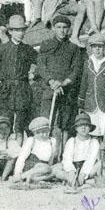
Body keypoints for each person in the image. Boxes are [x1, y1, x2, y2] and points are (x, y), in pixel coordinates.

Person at [0, 15, 37, 141]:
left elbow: (42, 65)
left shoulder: (28, 50)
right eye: (16, 30)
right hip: (6, 91)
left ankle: (18, 157)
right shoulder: (2, 49)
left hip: (23, 91)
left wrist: (35, 75)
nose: (20, 33)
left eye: (22, 30)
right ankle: (6, 156)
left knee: (20, 126)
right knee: (5, 124)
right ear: (10, 31)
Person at [35, 15, 83, 147]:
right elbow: (41, 66)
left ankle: (63, 153)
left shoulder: (73, 48)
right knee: (46, 122)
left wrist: (63, 83)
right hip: (49, 90)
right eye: (59, 27)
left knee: (66, 124)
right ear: (54, 29)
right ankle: (44, 153)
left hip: (66, 91)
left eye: (65, 27)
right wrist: (51, 82)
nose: (62, 30)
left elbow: (76, 70)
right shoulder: (46, 45)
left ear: (68, 29)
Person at [78, 34, 105, 143]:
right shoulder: (87, 63)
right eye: (94, 46)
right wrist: (81, 103)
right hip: (91, 104)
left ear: (104, 47)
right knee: (94, 136)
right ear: (91, 48)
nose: (97, 49)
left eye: (100, 46)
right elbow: (83, 84)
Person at [51, 113, 101, 187]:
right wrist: (71, 172)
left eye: (86, 125)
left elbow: (91, 160)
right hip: (73, 166)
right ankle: (70, 179)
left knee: (100, 164)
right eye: (80, 125)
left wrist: (83, 174)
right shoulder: (71, 141)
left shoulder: (94, 142)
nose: (83, 128)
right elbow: (67, 158)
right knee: (56, 168)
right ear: (76, 128)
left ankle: (81, 180)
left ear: (90, 128)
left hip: (88, 168)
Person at [11, 117, 57, 183]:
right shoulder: (32, 140)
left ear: (48, 130)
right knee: (46, 168)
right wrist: (17, 173)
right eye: (38, 133)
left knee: (56, 168)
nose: (42, 135)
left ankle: (33, 179)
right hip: (31, 166)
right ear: (34, 133)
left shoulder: (52, 141)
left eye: (44, 132)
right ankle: (21, 177)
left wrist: (50, 167)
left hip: (45, 167)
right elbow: (22, 158)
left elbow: (51, 158)